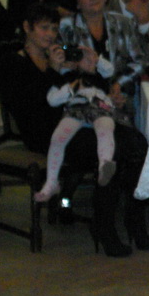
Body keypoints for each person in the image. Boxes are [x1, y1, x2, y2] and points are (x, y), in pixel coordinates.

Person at [0, 2, 149, 257]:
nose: (50, 34)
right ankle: (104, 227)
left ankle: (134, 220)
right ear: (27, 28)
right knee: (113, 151)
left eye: (53, 28)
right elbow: (33, 106)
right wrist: (54, 71)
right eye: (43, 28)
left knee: (137, 142)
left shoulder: (59, 56)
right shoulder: (12, 61)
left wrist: (91, 72)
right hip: (45, 133)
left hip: (79, 121)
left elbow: (83, 90)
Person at [60, 0, 145, 129]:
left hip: (119, 95)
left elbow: (139, 61)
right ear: (76, 2)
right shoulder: (67, 27)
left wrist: (118, 85)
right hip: (83, 98)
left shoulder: (123, 23)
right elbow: (63, 66)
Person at [34, 66, 118, 203]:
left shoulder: (99, 74)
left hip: (98, 106)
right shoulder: (64, 77)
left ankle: (105, 166)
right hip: (76, 107)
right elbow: (52, 100)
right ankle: (51, 182)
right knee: (58, 138)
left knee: (106, 128)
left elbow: (109, 70)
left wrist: (95, 62)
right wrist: (72, 85)